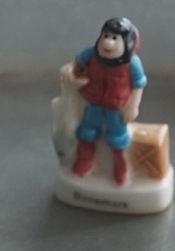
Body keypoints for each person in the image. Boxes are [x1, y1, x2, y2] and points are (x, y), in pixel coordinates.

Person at [61, 17, 144, 184]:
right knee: (87, 131)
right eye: (106, 36)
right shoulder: (92, 54)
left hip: (116, 106)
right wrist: (69, 69)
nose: (108, 42)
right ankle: (84, 161)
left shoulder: (132, 63)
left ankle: (120, 166)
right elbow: (77, 63)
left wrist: (133, 107)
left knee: (117, 138)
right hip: (94, 102)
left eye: (114, 38)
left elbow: (139, 84)